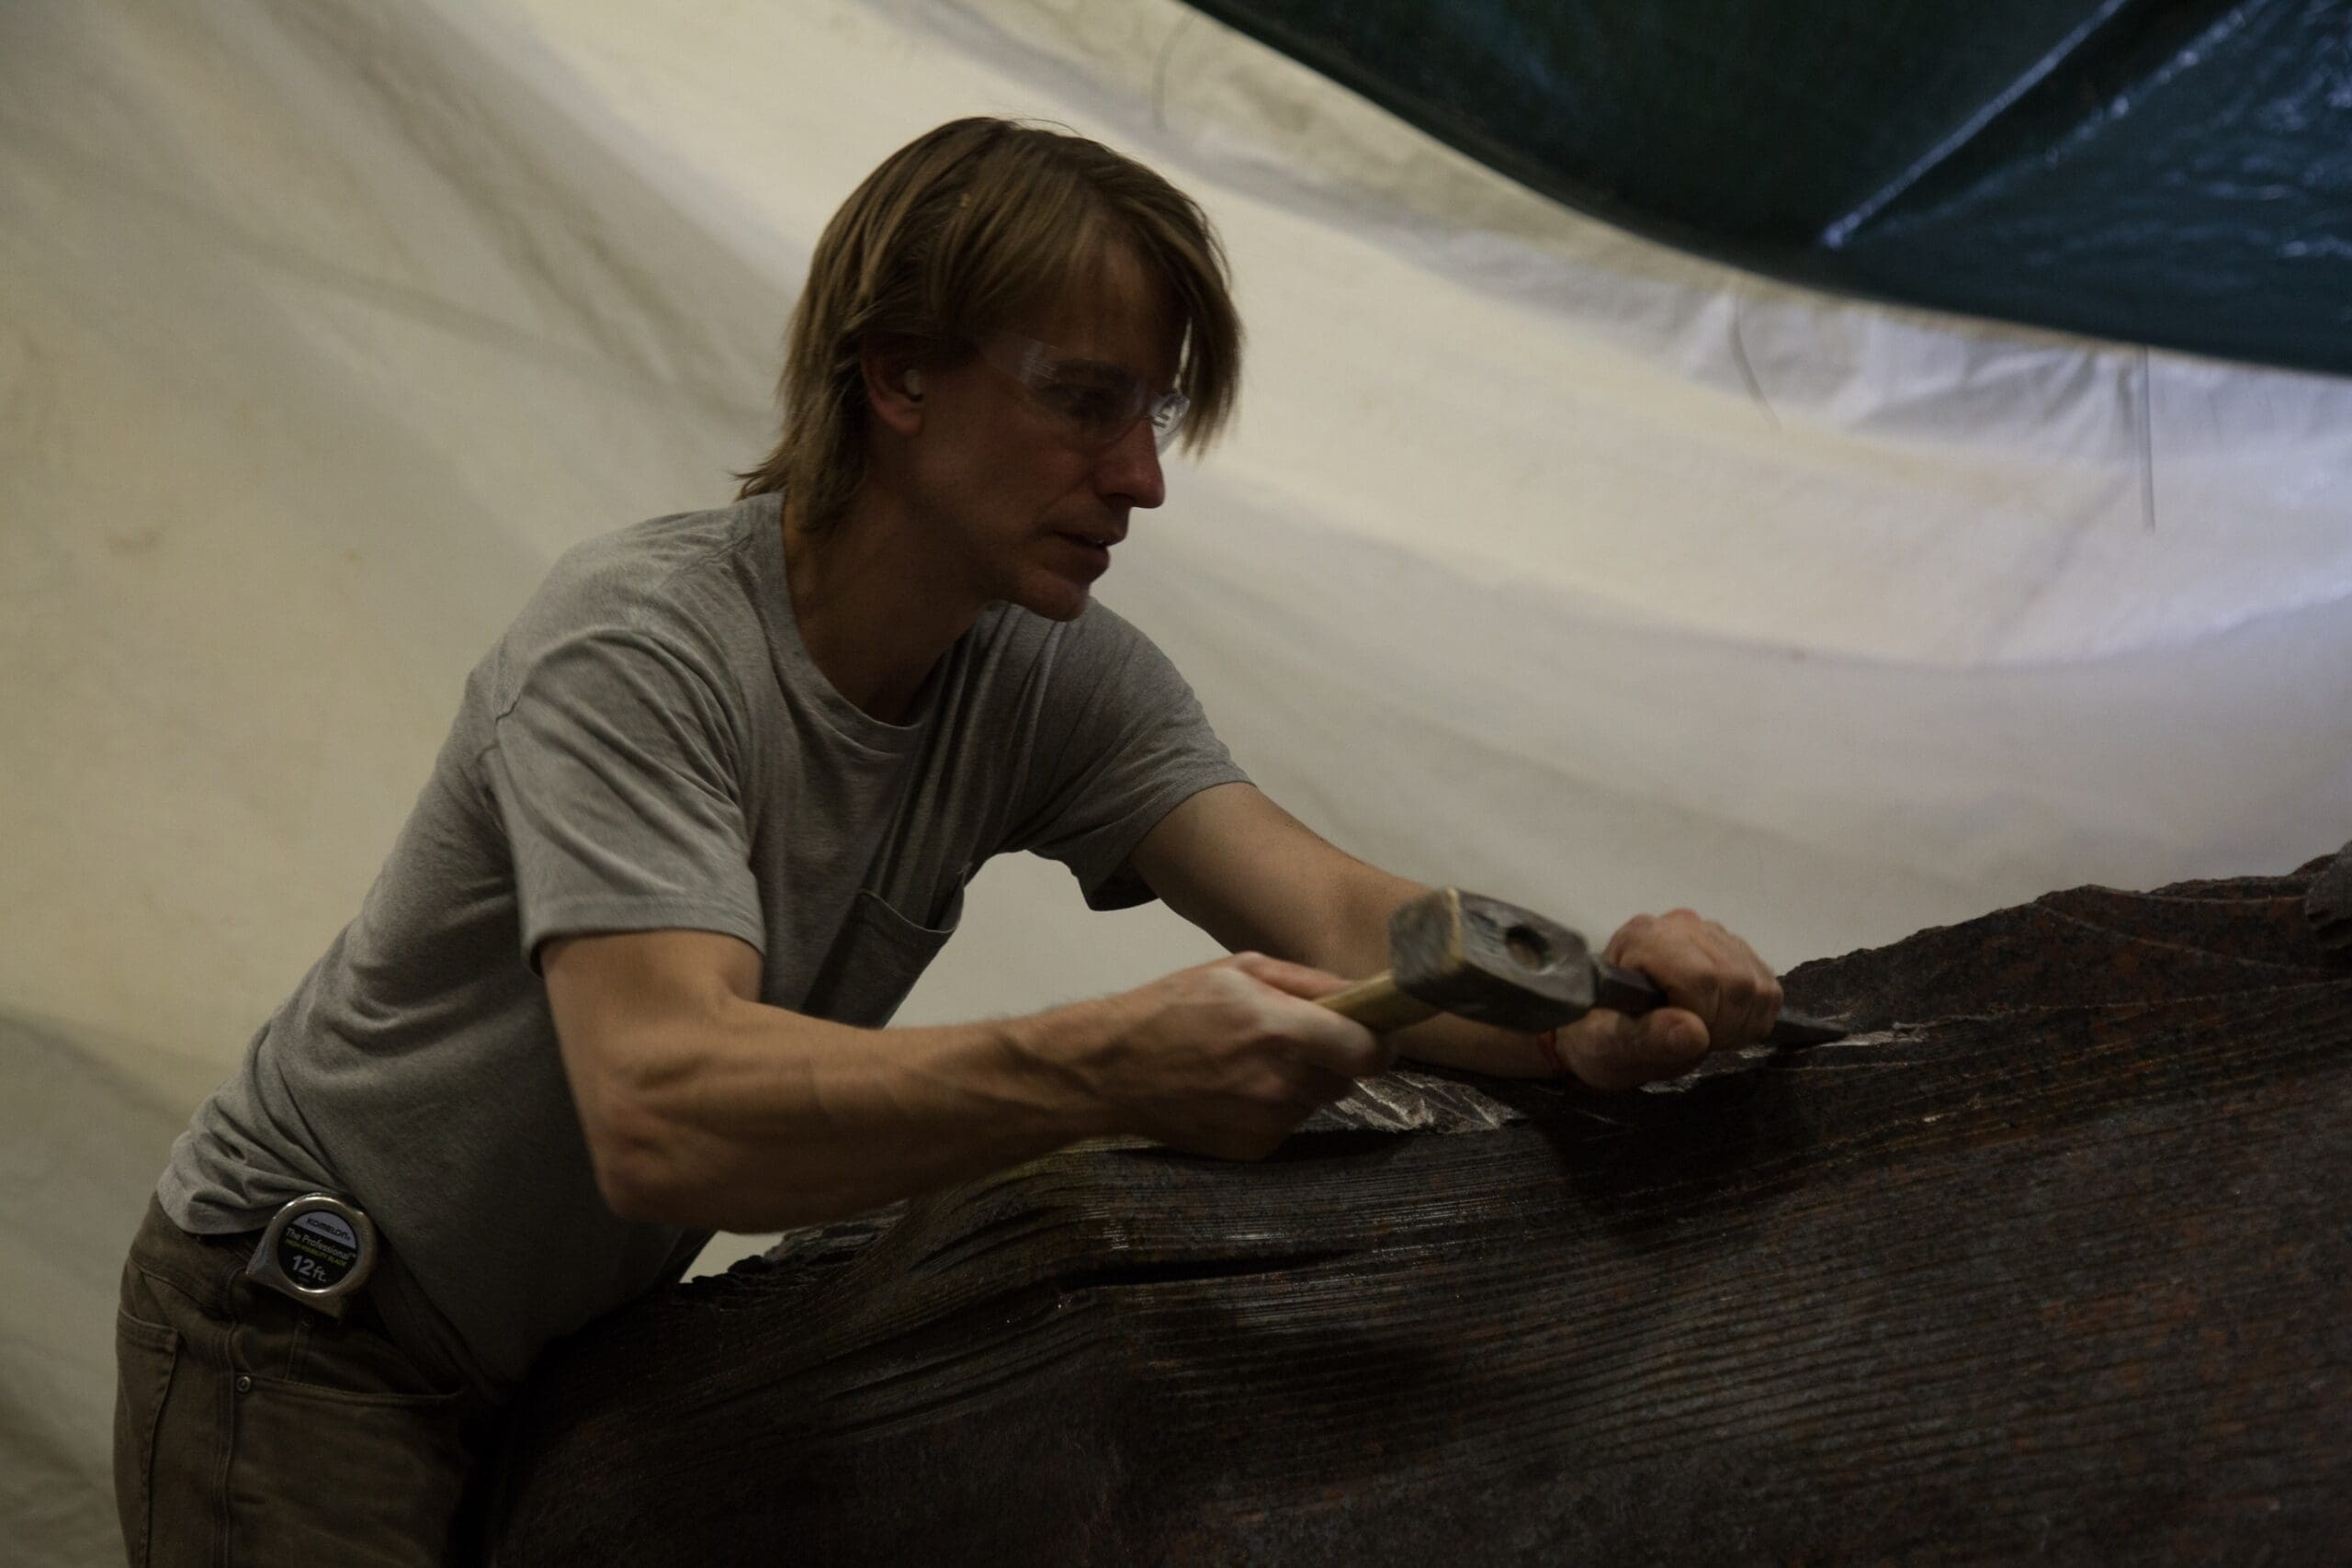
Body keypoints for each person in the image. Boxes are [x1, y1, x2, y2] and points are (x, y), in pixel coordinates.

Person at [113, 117, 1784, 1565]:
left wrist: (1579, 1003)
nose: (1140, 477)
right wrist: (1111, 1068)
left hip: (580, 1354)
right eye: (1085, 403)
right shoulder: (637, 643)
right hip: (309, 1333)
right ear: (897, 372)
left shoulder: (1048, 672)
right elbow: (663, 1113)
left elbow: (1341, 907)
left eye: (1160, 415)